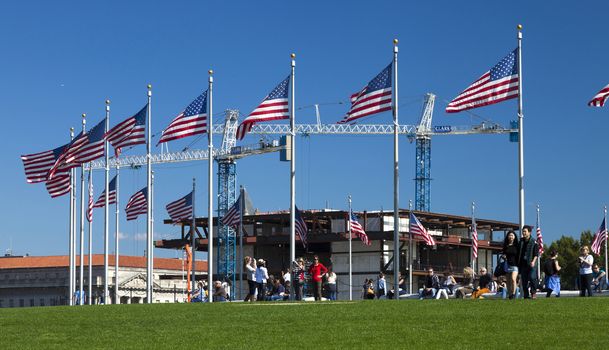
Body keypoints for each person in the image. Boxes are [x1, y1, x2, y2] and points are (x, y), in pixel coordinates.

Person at [518, 225, 539, 299]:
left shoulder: (534, 241)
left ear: (529, 232)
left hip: (531, 263)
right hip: (523, 264)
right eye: (523, 231)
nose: (523, 233)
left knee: (532, 277)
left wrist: (533, 261)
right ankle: (526, 295)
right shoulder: (521, 241)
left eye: (525, 231)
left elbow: (536, 254)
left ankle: (533, 293)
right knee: (524, 281)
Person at [502, 230, 519, 299]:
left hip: (515, 265)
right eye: (509, 235)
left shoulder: (517, 245)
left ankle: (514, 293)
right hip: (507, 264)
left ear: (514, 237)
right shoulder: (506, 245)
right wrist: (504, 256)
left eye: (512, 235)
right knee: (508, 281)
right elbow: (503, 253)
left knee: (513, 279)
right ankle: (510, 295)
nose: (511, 236)